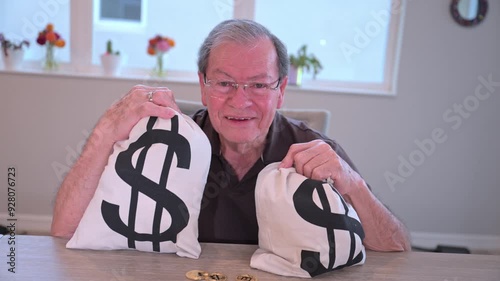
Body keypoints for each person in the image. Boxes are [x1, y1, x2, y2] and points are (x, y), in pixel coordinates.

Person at [51, 19, 411, 251]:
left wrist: (352, 183)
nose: (241, 101)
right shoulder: (165, 145)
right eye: (224, 83)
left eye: (258, 85)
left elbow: (396, 248)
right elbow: (63, 231)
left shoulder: (313, 151)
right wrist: (104, 133)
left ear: (281, 90)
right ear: (203, 87)